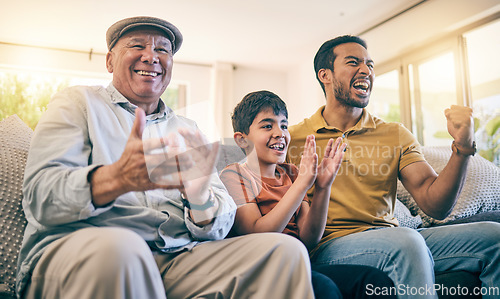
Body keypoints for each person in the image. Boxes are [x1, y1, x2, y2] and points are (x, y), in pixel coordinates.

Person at [16, 16, 316, 299]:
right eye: (137, 45)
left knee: (283, 252)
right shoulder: (76, 103)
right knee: (122, 248)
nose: (151, 56)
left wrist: (198, 197)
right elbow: (40, 197)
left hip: (175, 257)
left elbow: (222, 222)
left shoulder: (187, 130)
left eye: (162, 49)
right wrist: (114, 180)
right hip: (86, 247)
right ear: (109, 60)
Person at [287, 35, 500, 298]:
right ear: (325, 76)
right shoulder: (292, 138)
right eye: (353, 63)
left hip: (393, 237)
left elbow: (436, 205)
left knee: (495, 237)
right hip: (330, 246)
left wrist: (463, 147)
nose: (366, 70)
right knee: (406, 242)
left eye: (370, 65)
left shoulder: (394, 134)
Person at [220, 90, 397, 299]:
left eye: (284, 125)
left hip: (300, 262)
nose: (280, 132)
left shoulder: (291, 173)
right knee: (325, 289)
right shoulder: (234, 174)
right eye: (268, 126)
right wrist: (302, 185)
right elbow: (257, 234)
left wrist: (322, 187)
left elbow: (309, 237)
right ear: (242, 140)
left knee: (374, 281)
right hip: (263, 269)